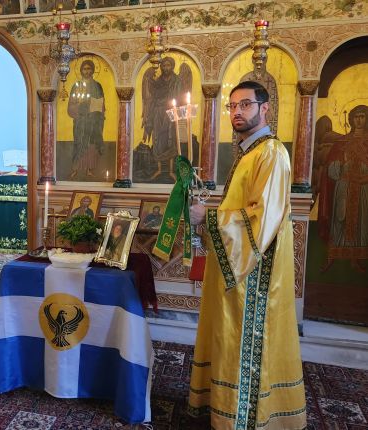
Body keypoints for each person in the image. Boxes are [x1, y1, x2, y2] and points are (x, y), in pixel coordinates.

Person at [187, 81, 306, 429]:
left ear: (264, 108)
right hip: (236, 268)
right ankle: (221, 407)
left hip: (254, 273)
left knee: (244, 341)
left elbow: (262, 219)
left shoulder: (271, 153)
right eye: (232, 106)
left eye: (246, 105)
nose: (237, 112)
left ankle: (244, 418)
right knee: (225, 337)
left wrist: (209, 218)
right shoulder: (249, 153)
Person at [317, 104, 368, 273]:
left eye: (362, 116)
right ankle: (331, 257)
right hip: (344, 187)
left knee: (360, 222)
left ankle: (356, 259)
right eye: (356, 117)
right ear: (351, 119)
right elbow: (331, 167)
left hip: (363, 188)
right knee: (339, 219)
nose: (359, 120)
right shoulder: (341, 142)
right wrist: (338, 165)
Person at [141, 57, 183, 180]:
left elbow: (180, 98)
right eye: (164, 66)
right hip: (158, 113)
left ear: (172, 66)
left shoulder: (177, 81)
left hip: (171, 114)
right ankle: (159, 170)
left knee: (171, 140)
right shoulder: (158, 81)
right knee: (158, 140)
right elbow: (153, 98)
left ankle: (171, 171)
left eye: (168, 65)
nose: (166, 68)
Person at [67, 59, 105, 180]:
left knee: (92, 145)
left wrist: (98, 109)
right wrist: (80, 105)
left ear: (93, 70)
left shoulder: (98, 86)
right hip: (81, 122)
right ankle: (75, 169)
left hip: (94, 121)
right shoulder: (76, 86)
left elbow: (102, 104)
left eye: (89, 69)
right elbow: (71, 106)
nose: (87, 71)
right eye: (85, 69)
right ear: (81, 70)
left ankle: (89, 170)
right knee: (79, 144)